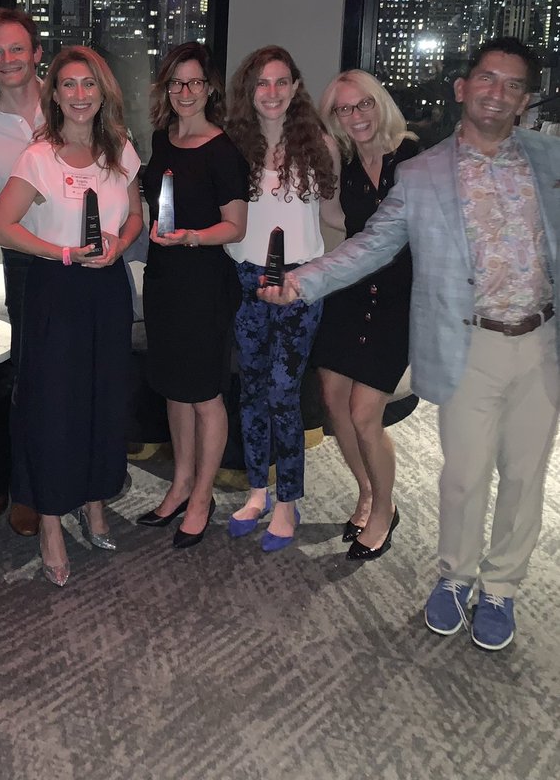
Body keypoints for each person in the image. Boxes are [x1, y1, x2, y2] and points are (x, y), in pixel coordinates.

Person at [260, 38, 560, 651]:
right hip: (470, 342)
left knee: (524, 476)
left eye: (512, 84)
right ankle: (455, 576)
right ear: (463, 88)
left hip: (542, 341)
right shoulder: (423, 174)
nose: (497, 92)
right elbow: (370, 245)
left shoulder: (551, 160)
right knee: (465, 475)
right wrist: (302, 283)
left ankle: (501, 587)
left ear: (526, 99)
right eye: (487, 78)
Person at [0, 46, 142, 587]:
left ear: (103, 92)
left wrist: (119, 244)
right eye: (69, 85)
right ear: (54, 94)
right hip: (57, 289)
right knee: (54, 408)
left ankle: (94, 501)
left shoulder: (120, 149)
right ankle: (51, 520)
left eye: (89, 84)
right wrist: (61, 253)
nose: (80, 95)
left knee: (103, 399)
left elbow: (135, 215)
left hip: (107, 290)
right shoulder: (39, 157)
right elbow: (1, 227)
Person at [225, 46, 340, 551]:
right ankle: (258, 491)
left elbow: (333, 215)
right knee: (250, 390)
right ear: (249, 91)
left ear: (295, 87)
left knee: (283, 393)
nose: (271, 92)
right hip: (246, 282)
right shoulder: (233, 147)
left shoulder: (319, 145)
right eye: (261, 83)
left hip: (300, 284)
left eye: (280, 82)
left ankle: (288, 501)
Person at [137, 43, 248, 548]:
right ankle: (180, 483)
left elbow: (235, 226)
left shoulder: (223, 150)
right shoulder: (162, 140)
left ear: (210, 89)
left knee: (205, 394)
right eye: (176, 83)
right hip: (164, 282)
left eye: (194, 82)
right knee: (174, 389)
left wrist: (191, 237)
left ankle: (202, 496)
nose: (185, 92)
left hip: (204, 284)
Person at [311, 70, 419, 560]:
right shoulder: (351, 164)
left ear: (380, 104)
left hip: (398, 298)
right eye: (343, 109)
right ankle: (367, 490)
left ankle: (384, 509)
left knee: (363, 412)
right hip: (352, 291)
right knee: (334, 401)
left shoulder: (412, 157)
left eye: (363, 105)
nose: (355, 116)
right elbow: (338, 217)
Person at [0, 6, 44, 538]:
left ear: (36, 52)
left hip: (83, 258)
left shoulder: (73, 101)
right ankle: (25, 487)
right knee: (28, 375)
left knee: (78, 373)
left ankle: (77, 478)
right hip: (25, 260)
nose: (7, 59)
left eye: (17, 48)